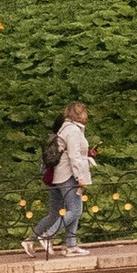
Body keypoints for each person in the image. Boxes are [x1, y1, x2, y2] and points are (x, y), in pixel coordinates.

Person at [28, 101, 94, 255]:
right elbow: (73, 156)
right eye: (84, 112)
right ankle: (49, 236)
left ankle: (71, 245)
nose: (86, 115)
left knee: (70, 210)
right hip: (69, 175)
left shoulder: (67, 128)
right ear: (79, 114)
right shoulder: (73, 130)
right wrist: (80, 177)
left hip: (62, 174)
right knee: (75, 210)